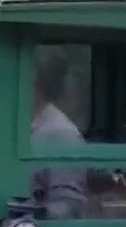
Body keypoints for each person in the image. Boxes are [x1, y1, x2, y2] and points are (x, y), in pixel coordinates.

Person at [29, 50, 87, 218]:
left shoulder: (60, 135)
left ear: (37, 84)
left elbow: (69, 207)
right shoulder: (15, 128)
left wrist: (27, 216)